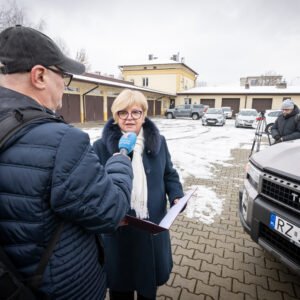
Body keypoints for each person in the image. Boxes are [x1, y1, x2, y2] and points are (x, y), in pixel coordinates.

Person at [0, 25, 134, 299]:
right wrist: (121, 160)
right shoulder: (62, 141)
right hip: (60, 287)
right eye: (64, 75)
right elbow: (111, 211)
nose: (65, 85)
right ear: (39, 75)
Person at [93, 89, 184, 300]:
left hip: (151, 228)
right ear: (115, 117)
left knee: (147, 287)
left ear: (144, 115)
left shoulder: (159, 143)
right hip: (119, 233)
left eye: (135, 112)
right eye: (122, 113)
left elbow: (169, 174)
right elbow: (94, 189)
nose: (129, 118)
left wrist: (176, 195)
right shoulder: (100, 148)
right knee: (120, 289)